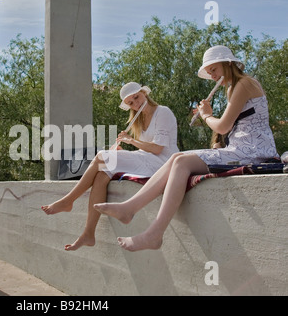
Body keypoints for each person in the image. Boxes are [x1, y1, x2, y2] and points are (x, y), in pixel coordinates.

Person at [94, 45, 279, 252]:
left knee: (181, 161)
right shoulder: (232, 88)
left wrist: (207, 115)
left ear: (228, 64)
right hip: (240, 149)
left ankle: (153, 233)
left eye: (214, 70)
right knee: (177, 158)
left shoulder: (244, 83)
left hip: (255, 153)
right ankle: (130, 208)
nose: (212, 76)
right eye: (209, 73)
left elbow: (224, 125)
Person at [41, 83, 179, 251]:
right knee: (102, 175)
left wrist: (131, 141)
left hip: (164, 162)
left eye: (136, 97)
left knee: (101, 157)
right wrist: (122, 152)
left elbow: (158, 148)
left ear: (144, 93)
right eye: (130, 103)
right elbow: (146, 149)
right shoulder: (140, 119)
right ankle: (88, 233)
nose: (135, 103)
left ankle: (68, 200)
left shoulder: (162, 112)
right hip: (149, 160)